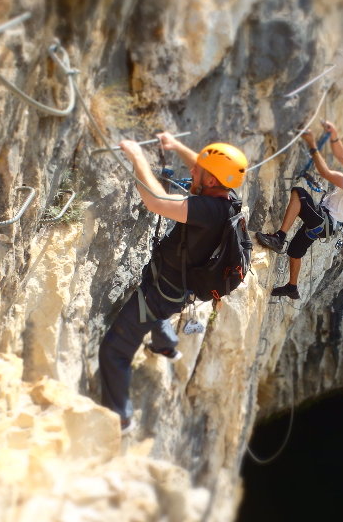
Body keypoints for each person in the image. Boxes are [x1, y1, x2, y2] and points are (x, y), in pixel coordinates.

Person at [98, 133, 248, 433]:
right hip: (178, 288)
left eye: (198, 172)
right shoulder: (226, 198)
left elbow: (156, 201)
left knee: (114, 351)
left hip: (160, 293)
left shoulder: (207, 211)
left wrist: (137, 156)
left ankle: (121, 417)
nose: (192, 171)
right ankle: (167, 345)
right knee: (156, 313)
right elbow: (205, 168)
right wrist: (177, 147)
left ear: (210, 181)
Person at [254, 120, 343, 299]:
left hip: (325, 220)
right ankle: (292, 287)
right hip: (325, 224)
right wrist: (334, 135)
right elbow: (341, 156)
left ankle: (279, 237)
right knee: (295, 251)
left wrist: (312, 145)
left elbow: (326, 173)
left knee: (299, 194)